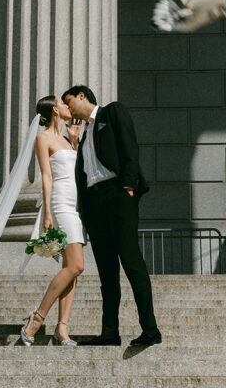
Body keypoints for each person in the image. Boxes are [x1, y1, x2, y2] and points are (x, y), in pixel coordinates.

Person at [62, 85, 161, 347]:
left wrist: (129, 185)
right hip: (95, 203)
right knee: (107, 272)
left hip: (118, 194)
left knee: (130, 260)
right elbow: (87, 171)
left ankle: (150, 329)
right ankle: (110, 333)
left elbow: (129, 144)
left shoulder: (111, 112)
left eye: (69, 101)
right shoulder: (83, 135)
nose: (68, 107)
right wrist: (74, 143)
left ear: (82, 96)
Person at [19, 95, 86, 346]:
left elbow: (77, 171)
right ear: (56, 110)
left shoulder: (68, 139)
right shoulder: (43, 138)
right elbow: (47, 177)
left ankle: (62, 329)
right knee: (76, 266)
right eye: (65, 103)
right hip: (60, 203)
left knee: (72, 270)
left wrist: (76, 143)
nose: (70, 107)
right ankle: (37, 318)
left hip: (76, 206)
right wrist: (47, 212)